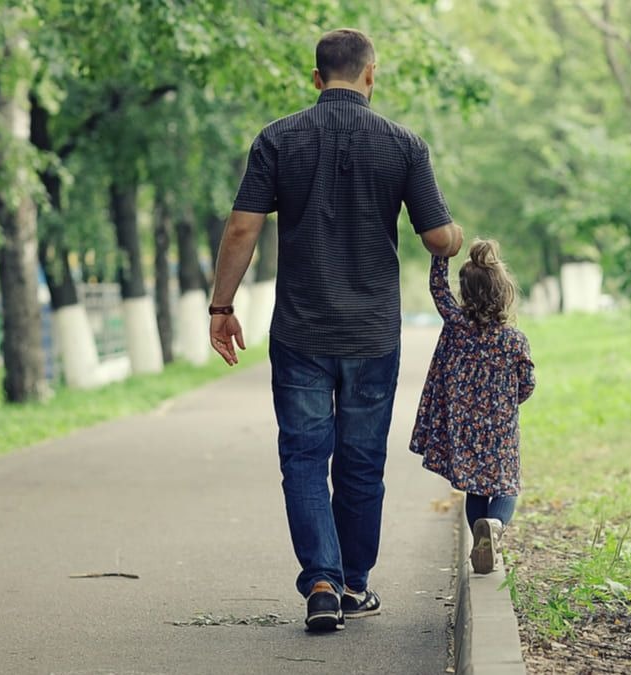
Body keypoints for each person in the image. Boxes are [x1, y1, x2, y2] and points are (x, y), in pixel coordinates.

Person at [207, 28, 464, 632]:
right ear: (370, 75)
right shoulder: (404, 145)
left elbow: (243, 228)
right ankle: (353, 583)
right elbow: (436, 236)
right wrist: (454, 238)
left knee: (302, 456)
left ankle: (320, 580)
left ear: (317, 78)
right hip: (373, 332)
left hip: (300, 329)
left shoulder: (276, 139)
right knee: (360, 460)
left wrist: (222, 307)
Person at [410, 239, 535, 575]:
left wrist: (441, 248)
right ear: (504, 292)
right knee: (506, 486)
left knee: (475, 487)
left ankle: (481, 534)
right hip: (500, 428)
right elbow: (528, 383)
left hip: (464, 426)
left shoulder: (457, 326)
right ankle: (494, 527)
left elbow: (438, 287)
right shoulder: (513, 339)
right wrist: (509, 401)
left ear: (465, 293)